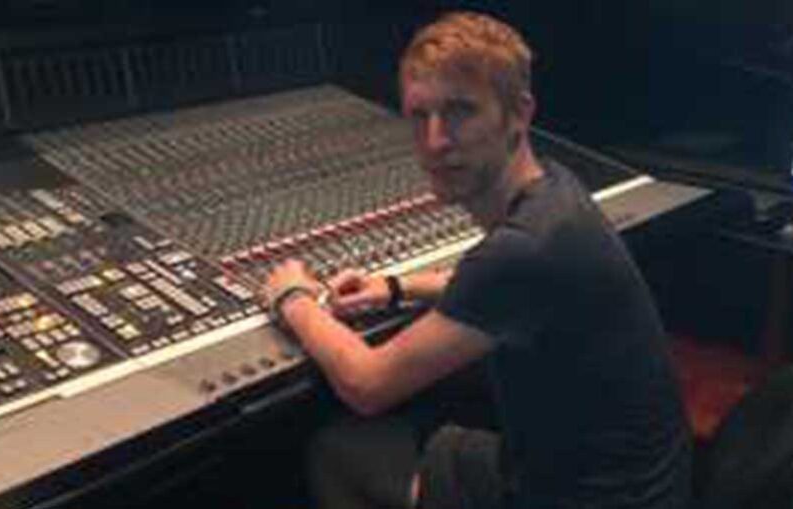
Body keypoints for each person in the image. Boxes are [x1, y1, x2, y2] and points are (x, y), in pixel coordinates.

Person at [263, 11, 692, 509]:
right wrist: (397, 286)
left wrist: (294, 299)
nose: (435, 141)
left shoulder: (524, 250)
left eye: (460, 111)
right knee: (443, 430)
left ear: (519, 113)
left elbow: (367, 384)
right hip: (621, 479)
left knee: (341, 450)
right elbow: (499, 293)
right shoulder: (555, 191)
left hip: (585, 497)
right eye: (419, 115)